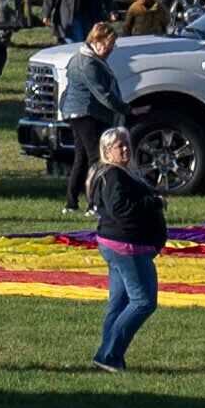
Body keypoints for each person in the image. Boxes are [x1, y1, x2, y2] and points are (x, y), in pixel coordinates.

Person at [76, 130, 159, 375]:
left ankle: (108, 355)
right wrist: (153, 204)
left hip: (114, 244)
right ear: (106, 151)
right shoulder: (113, 176)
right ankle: (109, 354)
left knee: (119, 302)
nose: (125, 150)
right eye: (119, 146)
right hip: (127, 247)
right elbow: (120, 208)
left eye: (127, 145)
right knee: (143, 302)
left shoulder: (110, 173)